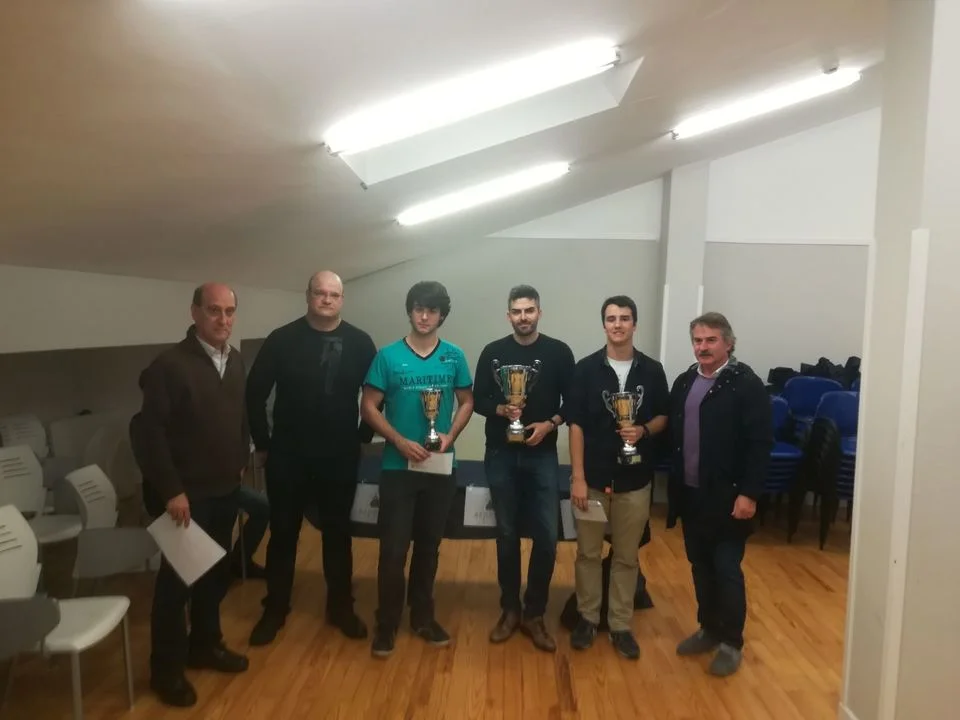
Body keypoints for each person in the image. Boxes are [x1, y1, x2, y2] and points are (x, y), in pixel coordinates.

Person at [246, 270, 377, 645]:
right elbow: (254, 392)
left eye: (333, 294)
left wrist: (362, 437)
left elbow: (376, 394)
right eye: (320, 293)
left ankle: (341, 607)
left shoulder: (360, 342)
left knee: (338, 534)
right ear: (307, 296)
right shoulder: (281, 339)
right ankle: (275, 608)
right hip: (288, 455)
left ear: (342, 299)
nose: (326, 299)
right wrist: (263, 444)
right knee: (283, 533)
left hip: (339, 456)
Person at [136, 283, 250, 708]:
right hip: (186, 498)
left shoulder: (235, 360)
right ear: (195, 313)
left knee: (213, 576)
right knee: (177, 585)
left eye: (230, 311)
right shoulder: (168, 366)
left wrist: (240, 458)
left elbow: (239, 417)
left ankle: (205, 644)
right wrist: (172, 490)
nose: (223, 319)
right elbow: (149, 435)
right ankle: (165, 671)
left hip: (225, 489)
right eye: (214, 310)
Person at [360, 281, 474, 658]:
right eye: (418, 308)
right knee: (394, 550)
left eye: (432, 310)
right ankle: (387, 622)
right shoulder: (388, 356)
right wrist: (397, 440)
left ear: (442, 315)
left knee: (429, 546)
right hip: (398, 467)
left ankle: (423, 617)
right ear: (410, 311)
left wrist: (449, 435)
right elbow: (368, 406)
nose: (425, 316)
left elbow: (467, 400)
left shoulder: (454, 356)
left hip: (440, 467)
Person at [667, 312, 772, 677]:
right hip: (691, 495)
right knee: (700, 566)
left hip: (728, 498)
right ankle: (708, 629)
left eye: (711, 340)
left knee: (726, 569)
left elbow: (760, 444)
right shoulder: (685, 381)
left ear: (728, 343)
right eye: (697, 340)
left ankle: (731, 641)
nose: (703, 347)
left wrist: (749, 494)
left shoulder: (746, 385)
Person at [472, 285, 574, 652]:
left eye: (529, 310)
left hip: (542, 455)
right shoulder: (493, 352)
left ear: (539, 313)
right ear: (508, 315)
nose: (523, 317)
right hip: (500, 453)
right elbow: (478, 399)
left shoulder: (559, 352)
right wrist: (501, 409)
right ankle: (510, 610)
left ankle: (535, 613)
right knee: (507, 535)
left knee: (546, 537)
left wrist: (550, 424)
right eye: (517, 311)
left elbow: (572, 401)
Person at [566, 295, 669, 660]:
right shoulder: (585, 369)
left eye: (625, 318)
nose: (618, 324)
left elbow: (663, 416)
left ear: (634, 324)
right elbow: (575, 425)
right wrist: (578, 477)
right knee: (588, 554)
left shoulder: (652, 370)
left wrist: (643, 430)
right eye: (611, 318)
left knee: (626, 556)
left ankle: (621, 624)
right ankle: (587, 618)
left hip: (635, 481)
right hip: (593, 480)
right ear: (604, 325)